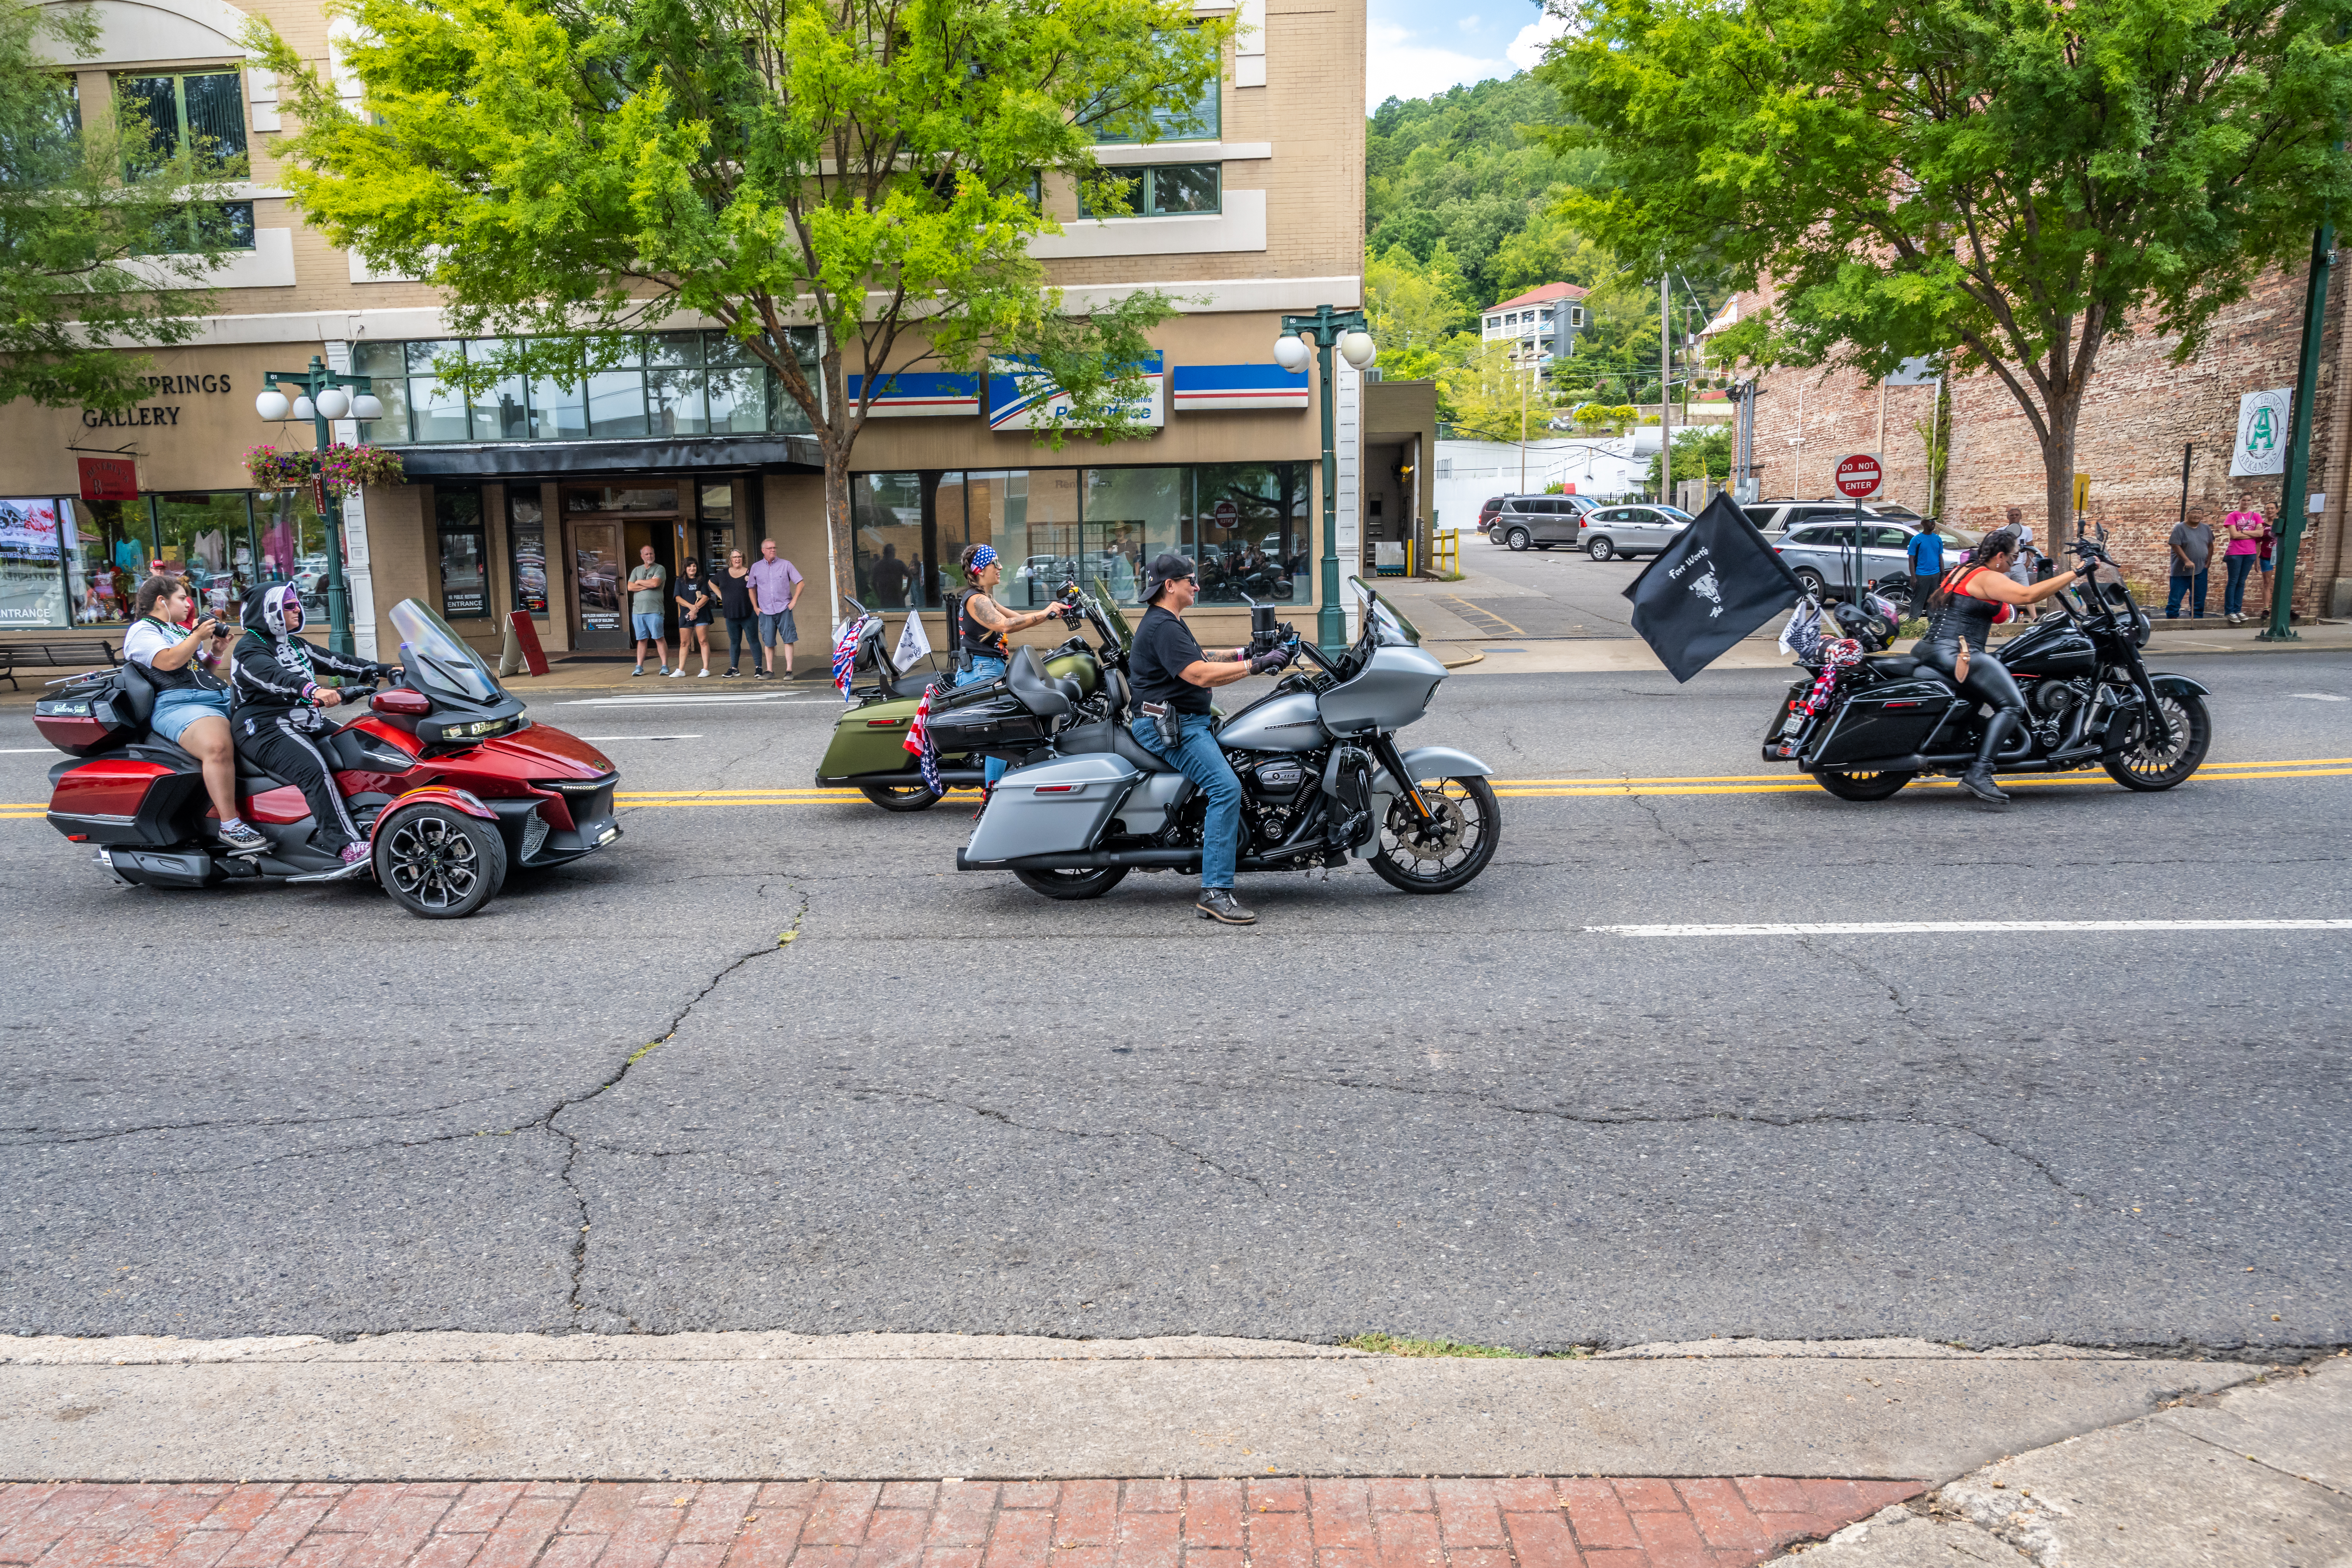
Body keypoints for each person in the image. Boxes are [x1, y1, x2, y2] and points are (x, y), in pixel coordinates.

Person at [1127, 552, 1296, 925]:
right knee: (1225, 788)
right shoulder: (1162, 626)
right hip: (1171, 726)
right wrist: (1257, 665)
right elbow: (1201, 674)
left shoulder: (1168, 622)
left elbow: (1202, 656)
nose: (1197, 585)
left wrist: (1249, 652)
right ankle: (1215, 892)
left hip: (1184, 719)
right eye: (1190, 580)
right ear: (1169, 586)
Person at [1917, 529, 2097, 804]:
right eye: (2013, 557)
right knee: (2011, 704)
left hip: (1931, 648)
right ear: (1999, 556)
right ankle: (1980, 770)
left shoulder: (1964, 570)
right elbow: (2027, 596)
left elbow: (1994, 611)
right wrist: (2079, 571)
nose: (2015, 562)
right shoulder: (1988, 576)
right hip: (1958, 653)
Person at [229, 582, 400, 871]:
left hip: (304, 718)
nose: (298, 609)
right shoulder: (249, 649)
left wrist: (388, 670)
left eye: (298, 603)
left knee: (364, 740)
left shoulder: (296, 644)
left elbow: (339, 662)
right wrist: (313, 691)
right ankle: (345, 845)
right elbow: (274, 676)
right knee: (312, 767)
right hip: (264, 725)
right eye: (289, 605)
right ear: (269, 612)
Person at [124, 576, 266, 856]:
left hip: (212, 697)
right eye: (181, 598)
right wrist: (197, 637)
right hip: (176, 705)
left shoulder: (177, 630)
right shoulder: (142, 631)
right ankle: (230, 824)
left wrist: (215, 651)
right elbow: (169, 661)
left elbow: (198, 672)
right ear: (161, 602)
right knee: (218, 746)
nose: (188, 604)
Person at [953, 544, 1078, 797]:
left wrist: (1051, 610)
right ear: (980, 570)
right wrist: (1045, 612)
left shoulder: (986, 599)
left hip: (988, 668)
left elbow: (1016, 618)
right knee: (1001, 738)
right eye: (994, 564)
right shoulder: (976, 600)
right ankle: (993, 797)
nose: (1000, 568)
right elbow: (1006, 625)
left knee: (1005, 733)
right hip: (981, 670)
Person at [747, 538, 803, 678]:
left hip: (784, 608)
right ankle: (770, 671)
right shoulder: (756, 567)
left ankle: (789, 670)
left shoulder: (786, 565)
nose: (773, 550)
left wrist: (794, 602)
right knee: (769, 642)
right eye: (770, 548)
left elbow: (801, 583)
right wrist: (755, 607)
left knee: (788, 639)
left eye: (775, 548)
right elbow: (751, 588)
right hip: (765, 611)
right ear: (763, 551)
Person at [627, 545, 670, 676]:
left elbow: (655, 584)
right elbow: (630, 587)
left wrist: (639, 582)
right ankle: (639, 667)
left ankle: (665, 666)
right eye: (647, 555)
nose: (649, 556)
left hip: (655, 610)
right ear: (642, 556)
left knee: (659, 638)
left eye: (651, 554)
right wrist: (647, 585)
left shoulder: (660, 568)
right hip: (638, 611)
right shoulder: (636, 570)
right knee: (642, 640)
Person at [2167, 507, 2215, 619]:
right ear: (2187, 514)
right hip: (2182, 569)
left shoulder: (2206, 528)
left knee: (2199, 598)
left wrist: (2208, 562)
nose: (2197, 515)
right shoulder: (2180, 528)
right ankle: (2172, 619)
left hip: (2201, 569)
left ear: (2203, 515)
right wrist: (2187, 560)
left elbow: (2211, 544)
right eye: (2194, 513)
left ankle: (2197, 619)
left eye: (2200, 513)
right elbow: (2175, 545)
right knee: (2176, 598)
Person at [715, 548, 755, 676]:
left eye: (740, 557)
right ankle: (734, 669)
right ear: (730, 560)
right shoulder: (724, 573)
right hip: (731, 614)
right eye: (735, 557)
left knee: (753, 641)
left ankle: (759, 668)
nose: (738, 559)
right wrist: (722, 596)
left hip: (748, 613)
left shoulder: (750, 572)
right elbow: (711, 583)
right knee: (734, 642)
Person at [672, 558, 714, 677]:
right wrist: (692, 608)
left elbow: (706, 597)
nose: (692, 568)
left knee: (703, 641)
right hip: (686, 614)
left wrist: (696, 609)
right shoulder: (679, 582)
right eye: (690, 566)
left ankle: (706, 669)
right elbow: (678, 598)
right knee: (684, 643)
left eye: (694, 566)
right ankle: (681, 670)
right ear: (685, 568)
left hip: (702, 615)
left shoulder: (701, 580)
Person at [2222, 508, 2265, 625]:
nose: (2246, 502)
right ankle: (2230, 611)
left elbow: (2261, 534)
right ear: (2240, 501)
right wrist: (2251, 534)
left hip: (2250, 553)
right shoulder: (2233, 515)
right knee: (2233, 581)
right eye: (2244, 500)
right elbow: (2234, 535)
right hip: (2235, 553)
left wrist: (2242, 532)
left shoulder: (2256, 516)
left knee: (2242, 582)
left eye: (2249, 500)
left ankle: (2238, 610)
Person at [1903, 523, 1946, 622]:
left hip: (1935, 574)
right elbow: (1911, 559)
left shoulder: (1937, 539)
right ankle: (1914, 620)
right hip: (1921, 574)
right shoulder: (1916, 540)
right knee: (1919, 598)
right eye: (1930, 521)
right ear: (1924, 524)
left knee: (1933, 598)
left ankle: (1932, 620)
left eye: (1934, 521)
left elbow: (1940, 557)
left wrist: (1943, 573)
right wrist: (1913, 577)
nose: (1933, 524)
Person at [872, 544, 912, 608]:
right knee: (901, 616)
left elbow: (874, 582)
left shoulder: (878, 565)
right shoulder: (899, 564)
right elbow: (910, 576)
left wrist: (879, 595)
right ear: (893, 553)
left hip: (885, 597)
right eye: (893, 552)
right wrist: (906, 591)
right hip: (898, 596)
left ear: (884, 553)